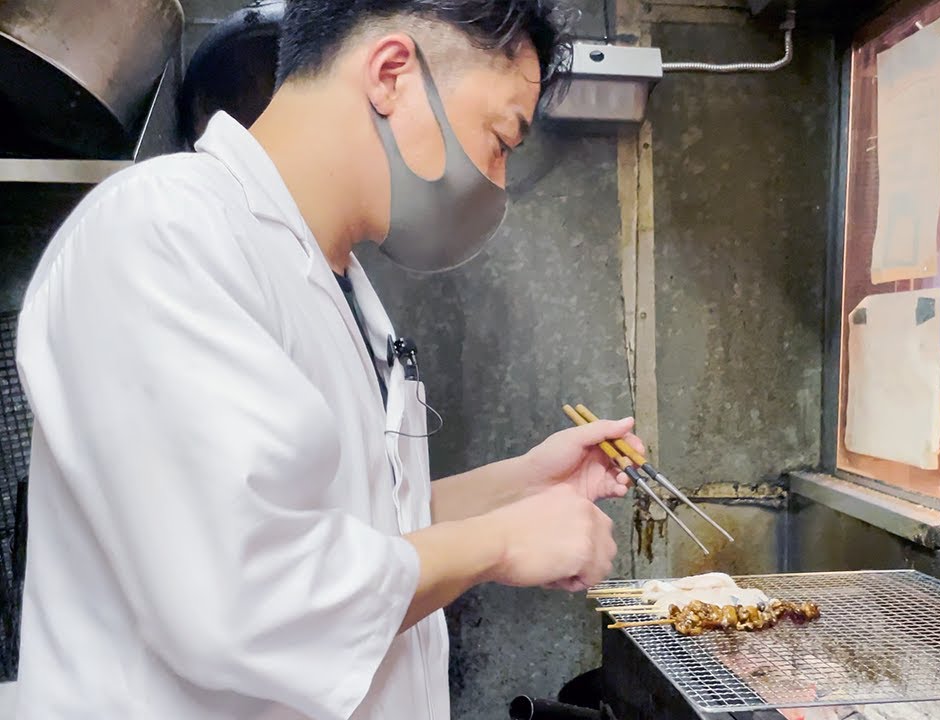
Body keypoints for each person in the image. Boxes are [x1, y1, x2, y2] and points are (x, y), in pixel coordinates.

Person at [14, 1, 634, 718]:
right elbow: (242, 593)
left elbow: (356, 526)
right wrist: (499, 543)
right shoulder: (162, 233)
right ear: (392, 73)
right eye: (500, 139)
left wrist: (519, 487)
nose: (494, 184)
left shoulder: (332, 283)